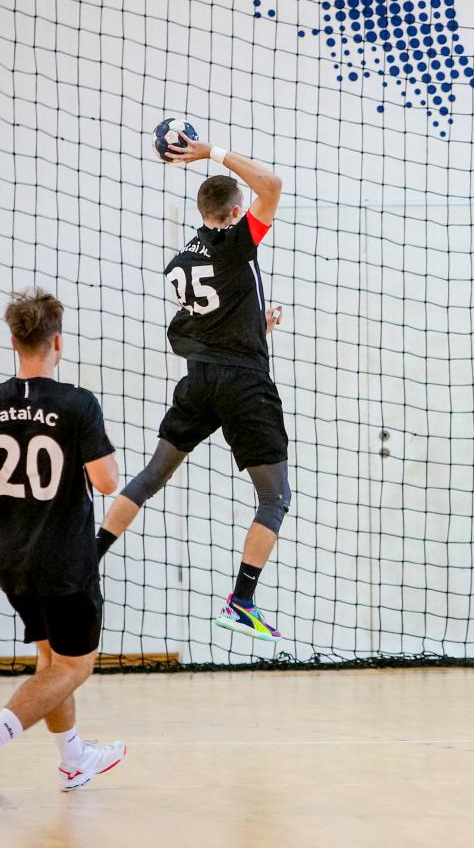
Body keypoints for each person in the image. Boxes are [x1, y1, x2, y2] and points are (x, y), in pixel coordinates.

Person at [95, 135, 288, 641]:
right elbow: (272, 184)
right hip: (244, 383)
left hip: (199, 379)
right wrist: (210, 152)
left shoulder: (182, 259)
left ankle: (88, 561)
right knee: (274, 497)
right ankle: (241, 602)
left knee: (151, 475)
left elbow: (207, 319)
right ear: (236, 211)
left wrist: (255, 325)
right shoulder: (237, 242)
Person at [0, 289, 125, 801]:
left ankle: (74, 760)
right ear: (57, 342)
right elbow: (107, 481)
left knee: (51, 659)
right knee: (74, 665)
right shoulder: (77, 403)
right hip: (63, 559)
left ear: (13, 341)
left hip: (9, 558)